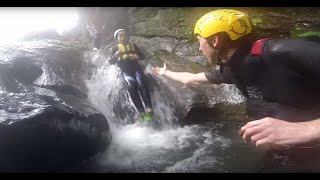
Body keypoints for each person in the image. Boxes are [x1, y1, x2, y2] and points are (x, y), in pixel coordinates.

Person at [152, 9, 320, 150]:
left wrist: (304, 130)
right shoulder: (232, 70)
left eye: (200, 41)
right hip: (291, 152)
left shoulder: (283, 52)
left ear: (215, 40)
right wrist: (165, 72)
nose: (199, 48)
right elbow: (190, 79)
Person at [109, 29, 153, 122]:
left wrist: (138, 56)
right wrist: (116, 56)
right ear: (117, 38)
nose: (123, 37)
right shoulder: (115, 48)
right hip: (125, 72)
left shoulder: (134, 46)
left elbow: (142, 56)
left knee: (142, 84)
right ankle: (141, 112)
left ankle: (149, 109)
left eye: (125, 35)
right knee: (131, 86)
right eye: (120, 36)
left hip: (137, 69)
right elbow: (111, 62)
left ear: (128, 37)